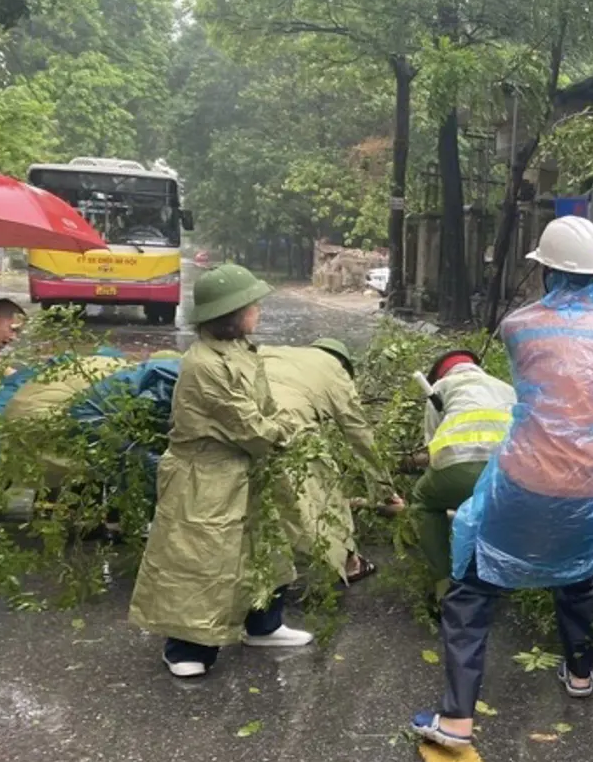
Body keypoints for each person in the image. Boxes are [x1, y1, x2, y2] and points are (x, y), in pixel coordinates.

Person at [412, 215, 593, 748]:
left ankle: (456, 721)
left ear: (547, 272)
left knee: (472, 591)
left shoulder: (518, 326)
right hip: (592, 486)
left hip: (521, 482)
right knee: (580, 569)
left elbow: (541, 386)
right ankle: (581, 675)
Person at [129, 264, 311, 678]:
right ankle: (185, 647)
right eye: (253, 305)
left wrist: (279, 426)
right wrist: (290, 431)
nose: (258, 311)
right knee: (200, 560)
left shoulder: (240, 350)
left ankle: (263, 625)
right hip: (204, 476)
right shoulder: (205, 364)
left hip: (244, 468)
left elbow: (262, 409)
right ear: (232, 313)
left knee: (265, 548)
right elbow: (248, 425)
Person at [259, 338, 404, 585]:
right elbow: (360, 434)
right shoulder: (335, 370)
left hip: (239, 421)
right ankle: (350, 564)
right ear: (344, 365)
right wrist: (386, 489)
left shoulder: (276, 352)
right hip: (289, 428)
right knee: (327, 494)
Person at [411, 348, 516, 577]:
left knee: (424, 501)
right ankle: (501, 571)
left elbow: (432, 446)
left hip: (457, 469)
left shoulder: (437, 389)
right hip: (506, 476)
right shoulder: (507, 389)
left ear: (441, 374)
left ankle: (443, 582)